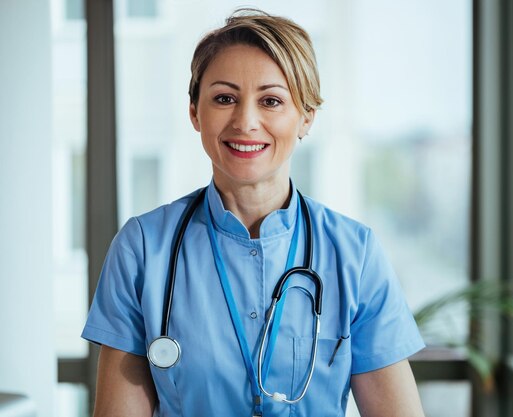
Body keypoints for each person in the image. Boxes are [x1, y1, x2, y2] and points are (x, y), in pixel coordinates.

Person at [82, 8, 426, 417]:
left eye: (271, 101)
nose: (246, 122)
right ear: (195, 112)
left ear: (306, 117)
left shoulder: (356, 254)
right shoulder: (142, 249)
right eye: (225, 98)